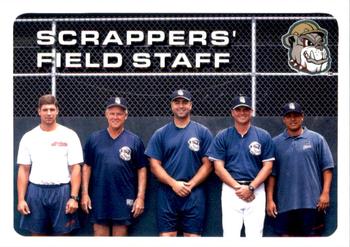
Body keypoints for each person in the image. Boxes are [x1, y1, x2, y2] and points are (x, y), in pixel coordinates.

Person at [145, 89, 213, 237]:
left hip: (194, 193)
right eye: (177, 102)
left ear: (190, 105)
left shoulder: (202, 132)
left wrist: (191, 184)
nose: (181, 106)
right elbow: (154, 165)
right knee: (167, 237)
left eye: (184, 102)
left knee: (193, 238)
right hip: (167, 193)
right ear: (171, 106)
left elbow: (208, 165)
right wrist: (173, 183)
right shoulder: (161, 133)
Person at [207, 95, 275, 237]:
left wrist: (251, 188)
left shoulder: (263, 135)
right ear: (232, 112)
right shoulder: (223, 136)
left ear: (251, 112)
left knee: (255, 235)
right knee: (231, 235)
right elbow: (218, 168)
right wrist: (239, 188)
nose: (242, 113)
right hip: (231, 190)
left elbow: (268, 166)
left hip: (256, 189)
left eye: (246, 109)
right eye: (238, 110)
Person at [16, 94, 83, 236]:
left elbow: (76, 168)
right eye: (45, 109)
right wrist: (21, 199)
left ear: (57, 111)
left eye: (52, 109)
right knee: (37, 236)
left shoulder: (69, 135)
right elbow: (23, 170)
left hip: (62, 192)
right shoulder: (29, 137)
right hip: (35, 192)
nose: (48, 113)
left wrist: (74, 197)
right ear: (38, 111)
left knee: (62, 237)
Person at [81, 97, 148, 236]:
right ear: (106, 114)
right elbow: (86, 167)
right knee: (100, 235)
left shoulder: (134, 140)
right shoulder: (94, 139)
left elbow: (142, 169)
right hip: (99, 195)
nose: (115, 117)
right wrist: (85, 194)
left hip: (124, 195)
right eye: (112, 113)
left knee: (120, 236)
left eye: (119, 113)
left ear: (126, 115)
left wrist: (140, 197)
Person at [266, 102, 334, 236]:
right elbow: (271, 174)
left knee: (312, 239)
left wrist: (325, 193)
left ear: (302, 117)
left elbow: (327, 168)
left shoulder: (317, 139)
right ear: (284, 119)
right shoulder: (275, 143)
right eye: (289, 116)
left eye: (296, 115)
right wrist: (269, 200)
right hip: (285, 205)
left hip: (312, 203)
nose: (293, 119)